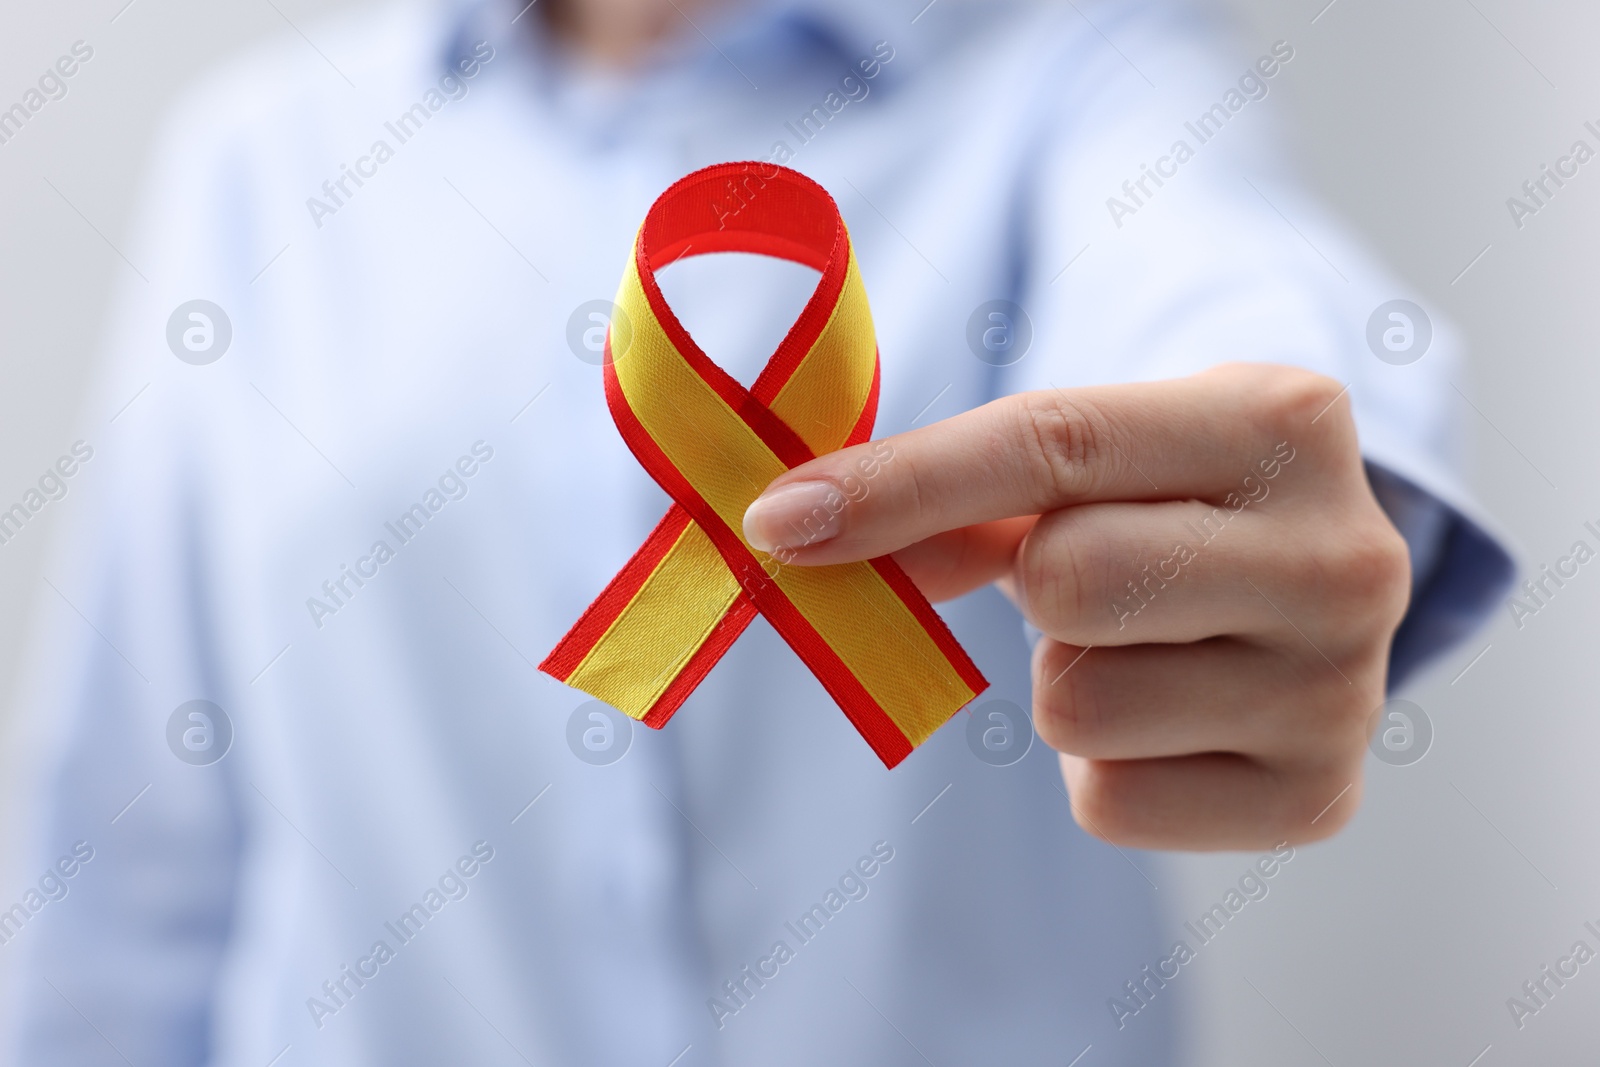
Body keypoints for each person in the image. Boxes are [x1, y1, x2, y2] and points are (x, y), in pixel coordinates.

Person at [5, 0, 1510, 1063]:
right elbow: (133, 855)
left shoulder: (1087, 66)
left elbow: (1232, 295)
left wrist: (1315, 499)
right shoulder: (261, 161)